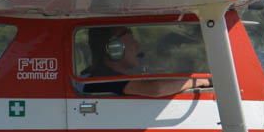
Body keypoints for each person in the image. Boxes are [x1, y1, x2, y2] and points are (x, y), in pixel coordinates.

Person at [82, 25, 212, 97]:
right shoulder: (105, 78)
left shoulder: (99, 74)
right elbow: (156, 89)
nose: (137, 45)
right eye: (131, 39)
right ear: (114, 47)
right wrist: (201, 80)